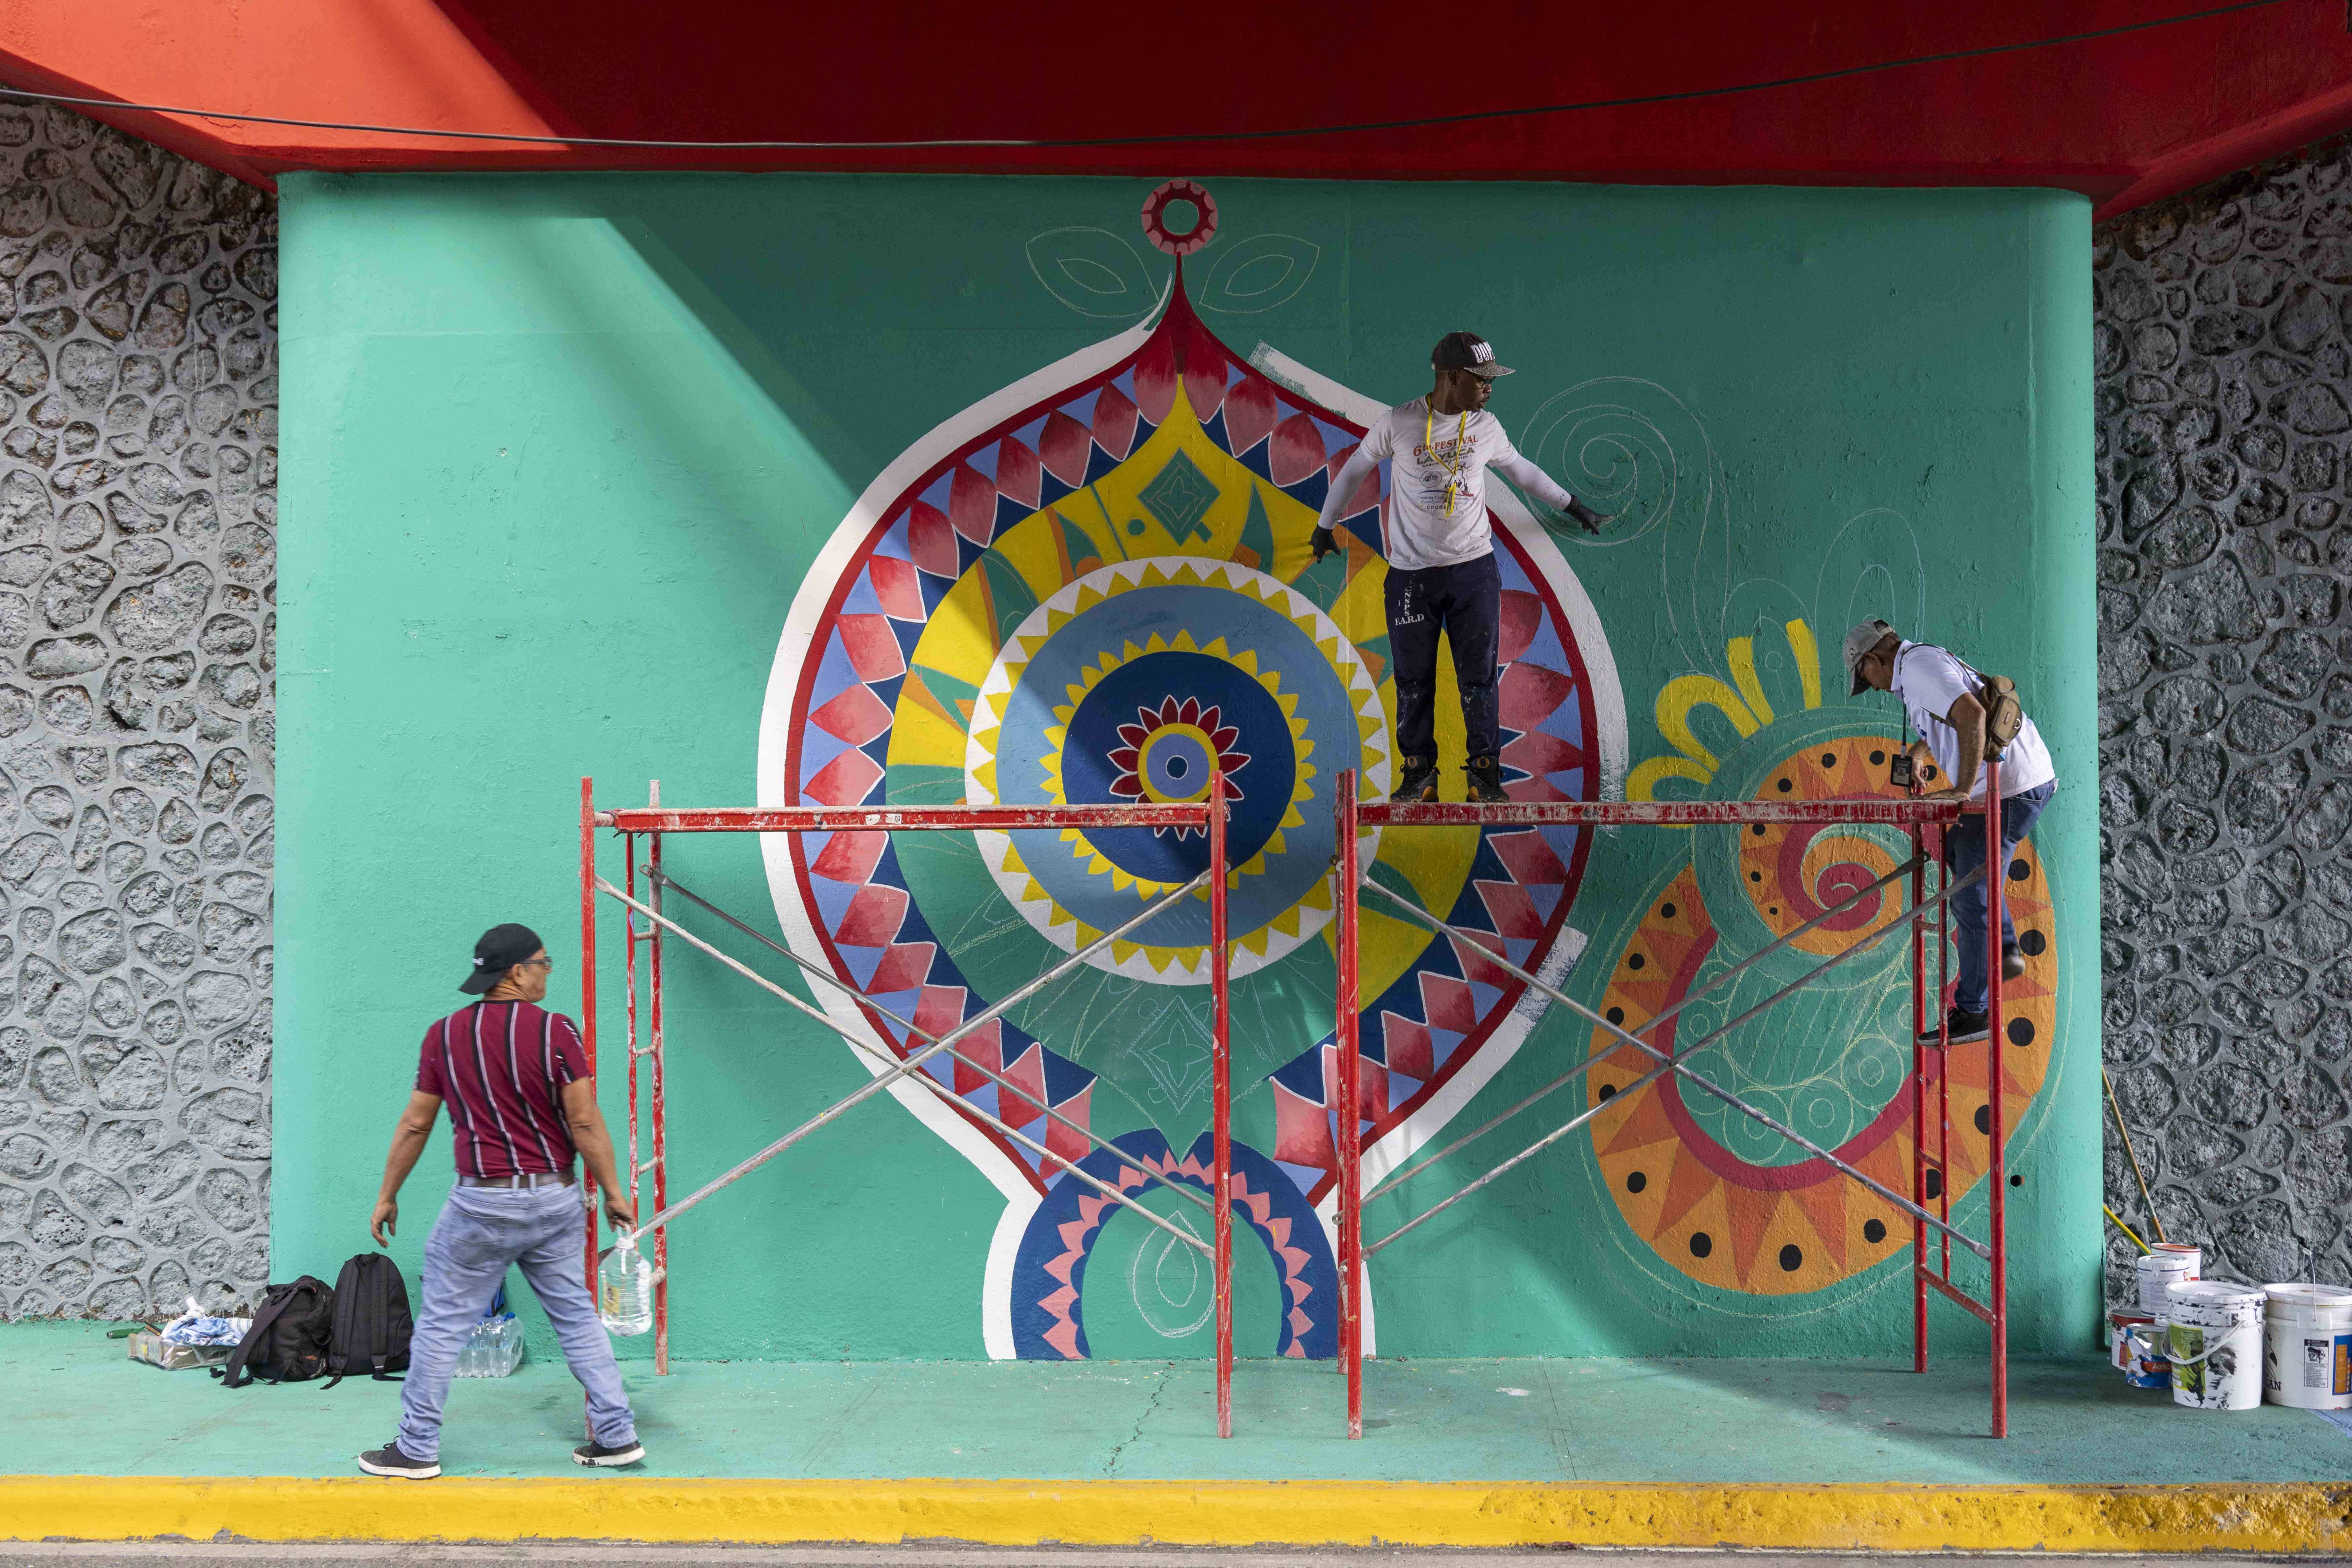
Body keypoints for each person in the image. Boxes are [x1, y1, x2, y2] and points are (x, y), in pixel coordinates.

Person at [356, 922, 643, 1478]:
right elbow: (582, 1118)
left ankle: (416, 1448)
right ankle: (617, 1435)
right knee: (577, 1320)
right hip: (554, 1198)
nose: (547, 972)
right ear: (517, 971)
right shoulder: (557, 1031)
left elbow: (416, 1124)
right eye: (544, 963)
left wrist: (388, 1194)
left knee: (443, 1324)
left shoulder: (444, 1036)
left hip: (482, 1204)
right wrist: (613, 1191)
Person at [1311, 332, 1606, 804]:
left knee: (1479, 678)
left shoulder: (1486, 427)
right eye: (1482, 379)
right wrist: (1325, 526)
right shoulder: (1400, 422)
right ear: (1452, 377)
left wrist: (1574, 506)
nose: (1490, 388)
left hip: (1473, 572)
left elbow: (1522, 471)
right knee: (1412, 680)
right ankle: (1420, 777)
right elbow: (1354, 470)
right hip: (1410, 577)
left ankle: (1484, 779)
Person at [1843, 621, 2058, 1045]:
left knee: (1968, 892)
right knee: (1962, 859)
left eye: (1864, 677)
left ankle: (1975, 1010)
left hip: (2008, 787)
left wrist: (1961, 788)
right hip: (2020, 781)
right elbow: (1953, 716)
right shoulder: (1920, 664)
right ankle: (2005, 948)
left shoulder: (1919, 668)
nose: (1872, 686)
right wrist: (1922, 753)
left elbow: (1972, 715)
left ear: (1871, 660)